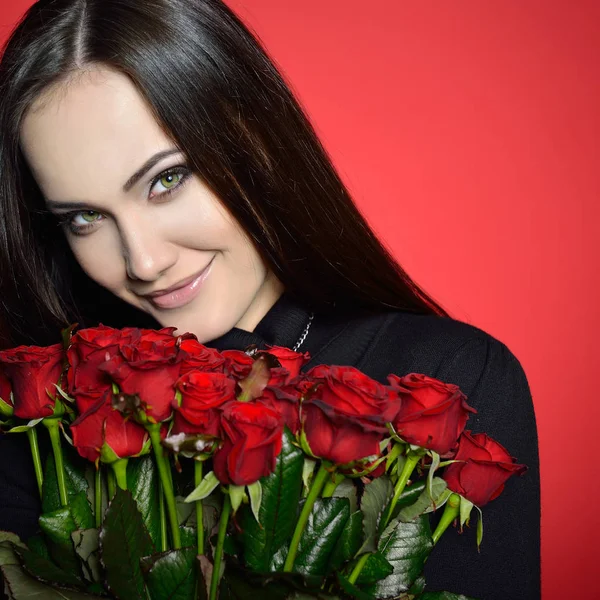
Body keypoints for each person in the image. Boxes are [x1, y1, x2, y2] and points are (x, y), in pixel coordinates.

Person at [0, 0, 540, 598]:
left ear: (254, 140)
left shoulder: (447, 384)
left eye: (167, 179)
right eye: (84, 217)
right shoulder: (48, 415)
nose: (143, 262)